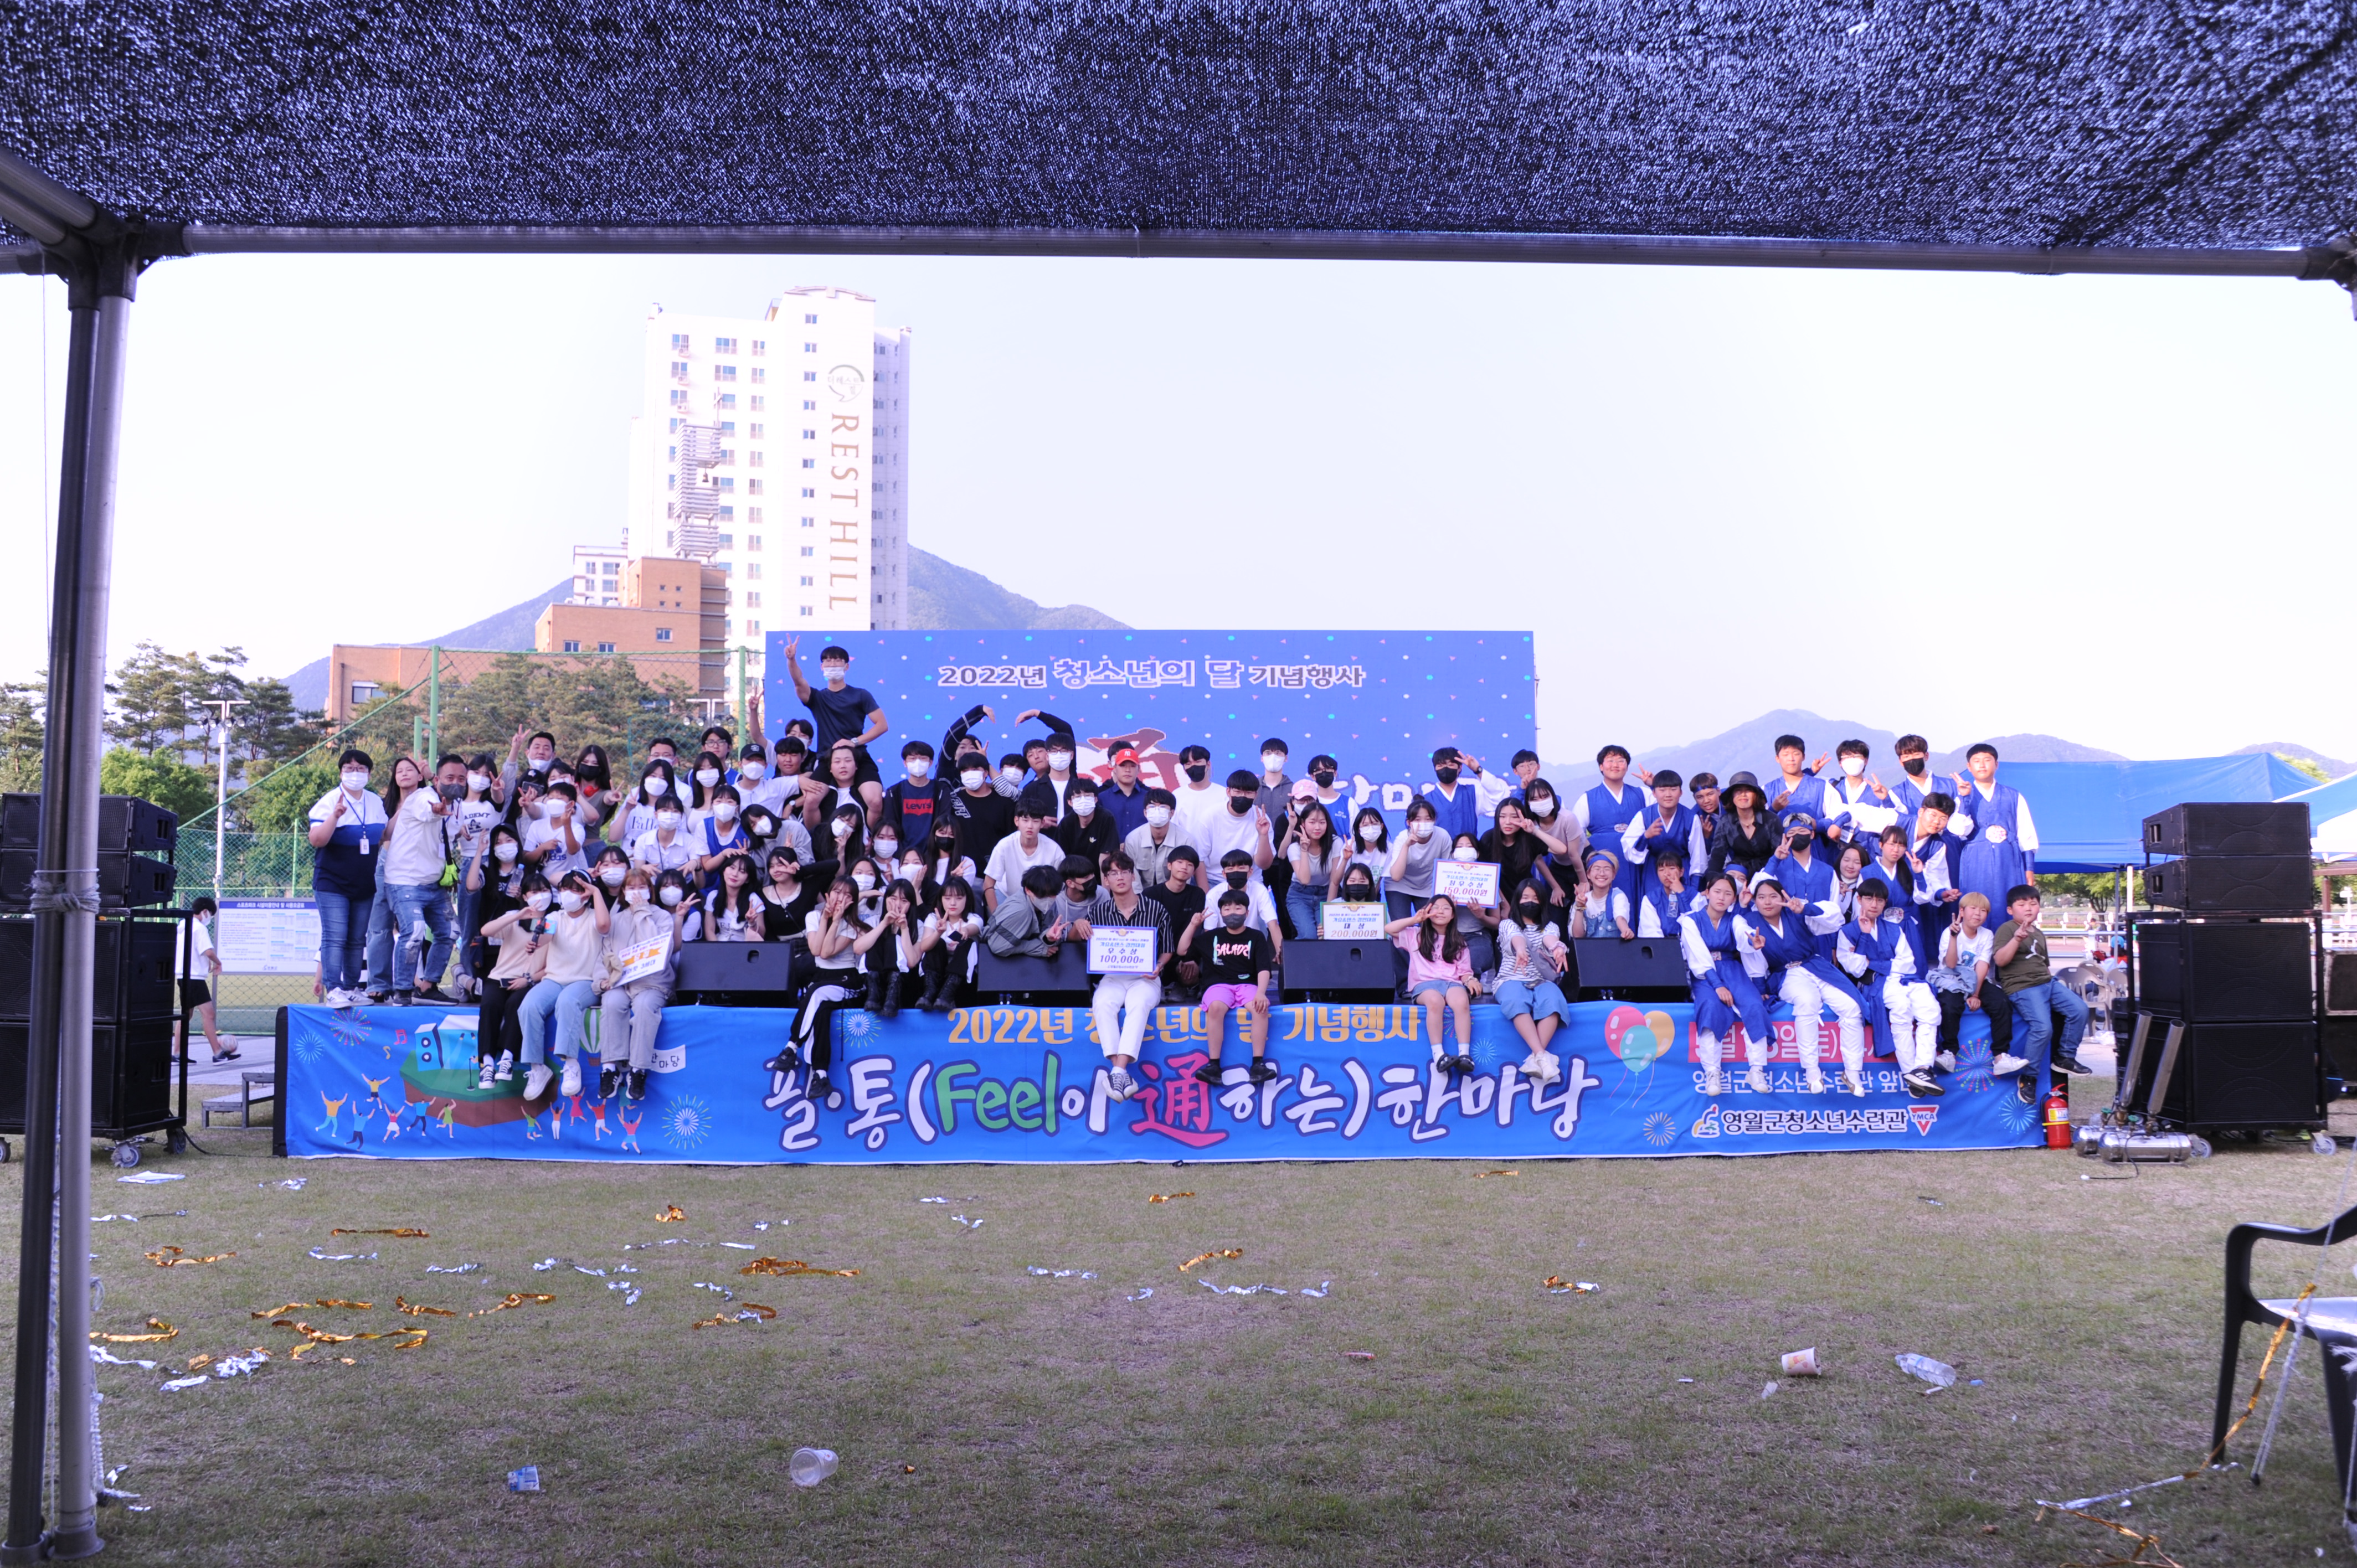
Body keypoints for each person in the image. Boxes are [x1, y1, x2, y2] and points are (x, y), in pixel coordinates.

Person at [1738, 875, 1861, 1095]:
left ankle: (1852, 1071)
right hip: (1787, 974)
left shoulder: (1796, 912)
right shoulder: (1750, 921)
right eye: (1762, 897)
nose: (1768, 902)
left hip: (1816, 967)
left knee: (1852, 1007)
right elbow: (1752, 957)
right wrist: (1761, 987)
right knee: (1807, 1001)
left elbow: (1835, 918)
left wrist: (1805, 908)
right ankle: (1812, 1071)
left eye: (1773, 896)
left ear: (1783, 897)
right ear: (1755, 901)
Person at [1068, 851, 1174, 1101]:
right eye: (1113, 873)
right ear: (1106, 881)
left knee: (1139, 1004)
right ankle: (1120, 1073)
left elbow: (1168, 948)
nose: (1120, 877)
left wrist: (1159, 965)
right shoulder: (1099, 912)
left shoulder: (1156, 909)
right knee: (1102, 1003)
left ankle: (1117, 1071)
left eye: (1125, 872)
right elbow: (1073, 939)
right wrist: (1077, 925)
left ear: (1133, 876)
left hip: (1146, 976)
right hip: (1113, 976)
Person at [1838, 877, 1943, 1097]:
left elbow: (1908, 963)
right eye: (1869, 899)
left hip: (1905, 979)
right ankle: (1911, 1073)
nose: (1874, 904)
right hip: (1876, 984)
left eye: (1879, 900)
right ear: (1859, 900)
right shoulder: (1847, 932)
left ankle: (1923, 1068)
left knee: (1931, 1010)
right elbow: (1856, 969)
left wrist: (1874, 963)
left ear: (1885, 903)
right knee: (1901, 1009)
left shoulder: (1894, 929)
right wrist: (1865, 937)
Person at [378, 753, 468, 1006]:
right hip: (405, 881)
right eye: (450, 778)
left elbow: (450, 832)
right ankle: (403, 990)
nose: (456, 783)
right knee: (415, 930)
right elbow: (428, 811)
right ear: (437, 780)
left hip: (434, 884)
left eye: (461, 779)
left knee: (450, 931)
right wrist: (436, 810)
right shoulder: (422, 797)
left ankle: (428, 987)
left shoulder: (457, 806)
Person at [764, 878, 866, 1100]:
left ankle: (792, 1045)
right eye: (837, 892)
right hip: (821, 979)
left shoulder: (852, 924)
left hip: (847, 981)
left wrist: (836, 921)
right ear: (828, 893)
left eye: (848, 895)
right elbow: (815, 949)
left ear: (853, 901)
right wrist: (826, 919)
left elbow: (827, 953)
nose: (840, 898)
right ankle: (821, 1075)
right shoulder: (813, 916)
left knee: (816, 993)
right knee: (820, 1012)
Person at [516, 869, 610, 1100]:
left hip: (586, 981)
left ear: (586, 894)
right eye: (564, 889)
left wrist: (596, 892)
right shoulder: (554, 917)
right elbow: (545, 937)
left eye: (575, 890)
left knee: (568, 1002)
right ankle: (538, 1068)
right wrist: (535, 944)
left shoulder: (594, 915)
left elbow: (604, 926)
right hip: (554, 979)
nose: (568, 894)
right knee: (528, 1006)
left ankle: (571, 1065)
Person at [1989, 884, 2089, 1099]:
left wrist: (2052, 984)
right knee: (2043, 1028)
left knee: (2080, 1010)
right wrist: (2017, 939)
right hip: (2022, 986)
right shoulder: (2007, 929)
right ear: (2010, 910)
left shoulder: (2040, 933)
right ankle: (2029, 1077)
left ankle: (2065, 1057)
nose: (2028, 908)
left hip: (2047, 982)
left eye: (2033, 904)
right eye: (2022, 904)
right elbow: (2000, 961)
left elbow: (2043, 964)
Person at [307, 749, 388, 1008]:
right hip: (332, 882)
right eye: (349, 769)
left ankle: (352, 988)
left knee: (356, 939)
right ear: (341, 773)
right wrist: (336, 816)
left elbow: (385, 834)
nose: (356, 773)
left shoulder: (375, 801)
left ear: (369, 774)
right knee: (335, 936)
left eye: (361, 769)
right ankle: (334, 989)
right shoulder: (330, 801)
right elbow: (317, 840)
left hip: (364, 883)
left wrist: (408, 805)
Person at [595, 866, 683, 1101]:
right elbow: (605, 955)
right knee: (611, 1004)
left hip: (653, 984)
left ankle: (638, 1070)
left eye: (642, 887)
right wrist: (602, 981)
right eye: (631, 888)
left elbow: (659, 951)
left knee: (645, 1008)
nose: (636, 892)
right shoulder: (616, 919)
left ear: (650, 891)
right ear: (623, 892)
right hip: (621, 983)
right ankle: (610, 1069)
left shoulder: (661, 916)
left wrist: (642, 913)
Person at [1679, 873, 1769, 1098]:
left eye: (1728, 893)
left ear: (1733, 899)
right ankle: (1712, 1072)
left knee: (1754, 1005)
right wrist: (1717, 985)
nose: (1722, 897)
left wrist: (1752, 940)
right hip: (1705, 974)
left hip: (1732, 969)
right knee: (1711, 1007)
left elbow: (1743, 932)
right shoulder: (1690, 920)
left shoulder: (1735, 919)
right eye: (1717, 892)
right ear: (1707, 893)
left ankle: (1757, 1069)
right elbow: (1698, 955)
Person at [784, 639, 888, 823]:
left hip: (858, 755)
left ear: (847, 666)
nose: (832, 664)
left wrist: (854, 742)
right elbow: (799, 682)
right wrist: (791, 660)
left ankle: (873, 838)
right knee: (811, 801)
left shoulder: (861, 695)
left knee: (875, 800)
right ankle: (814, 839)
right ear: (822, 667)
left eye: (838, 660)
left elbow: (882, 725)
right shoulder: (818, 697)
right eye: (828, 661)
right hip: (827, 758)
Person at [1191, 889, 1277, 1086]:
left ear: (1247, 912)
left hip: (1248, 984)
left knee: (1260, 1008)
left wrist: (1261, 993)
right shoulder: (1212, 936)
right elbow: (1182, 949)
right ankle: (1213, 1066)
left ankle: (1258, 1065)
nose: (1232, 913)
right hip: (1219, 985)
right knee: (1216, 1008)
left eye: (1238, 908)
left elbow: (1264, 969)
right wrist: (1194, 925)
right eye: (1227, 909)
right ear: (1221, 913)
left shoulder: (1256, 936)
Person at [473, 873, 551, 1087]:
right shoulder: (513, 918)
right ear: (525, 896)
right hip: (500, 977)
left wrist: (529, 980)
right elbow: (486, 931)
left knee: (517, 1005)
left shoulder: (554, 923)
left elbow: (553, 965)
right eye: (535, 892)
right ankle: (487, 1064)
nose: (541, 895)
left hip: (530, 981)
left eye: (545, 890)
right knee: (490, 1005)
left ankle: (507, 1059)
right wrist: (518, 915)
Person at [1386, 895, 1476, 1077]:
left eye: (1446, 908)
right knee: (1435, 1002)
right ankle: (1439, 1055)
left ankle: (1465, 1054)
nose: (1440, 911)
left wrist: (1470, 980)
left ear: (1453, 915)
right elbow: (1388, 928)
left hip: (1452, 983)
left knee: (1461, 1001)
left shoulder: (1459, 941)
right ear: (1428, 911)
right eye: (1435, 907)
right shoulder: (1415, 935)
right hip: (1424, 984)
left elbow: (1464, 971)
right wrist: (1415, 919)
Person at [1928, 891, 2013, 1074]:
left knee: (2001, 1002)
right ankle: (1949, 1053)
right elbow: (1951, 965)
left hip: (1975, 979)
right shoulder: (1949, 932)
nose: (1977, 914)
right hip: (1951, 978)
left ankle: (2000, 1056)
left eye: (1983, 911)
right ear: (1962, 911)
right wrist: (1953, 937)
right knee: (1950, 1005)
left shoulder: (1987, 935)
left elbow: (1982, 966)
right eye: (1973, 909)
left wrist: (1975, 994)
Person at [1492, 885, 1568, 1084]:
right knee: (1516, 1000)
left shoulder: (1550, 926)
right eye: (1525, 897)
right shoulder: (1507, 924)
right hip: (1511, 979)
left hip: (1542, 980)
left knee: (1554, 1000)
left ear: (1542, 902)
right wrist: (1520, 950)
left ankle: (1536, 1059)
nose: (1530, 902)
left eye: (1535, 898)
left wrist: (1557, 948)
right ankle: (1542, 1056)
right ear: (1517, 901)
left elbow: (1550, 939)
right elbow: (1516, 938)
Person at [1951, 744, 2039, 914]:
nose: (1982, 765)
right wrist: (1965, 799)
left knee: (2009, 905)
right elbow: (1960, 831)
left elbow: (2026, 834)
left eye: (1987, 760)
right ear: (1969, 767)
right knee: (1976, 908)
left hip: (2008, 861)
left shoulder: (2014, 796)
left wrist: (2029, 868)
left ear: (1996, 764)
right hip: (1976, 861)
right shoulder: (1961, 797)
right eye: (1976, 761)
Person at [447, 754, 503, 997]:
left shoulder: (492, 803)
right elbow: (447, 832)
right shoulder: (457, 805)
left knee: (494, 922)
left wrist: (498, 790)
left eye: (485, 775)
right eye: (475, 772)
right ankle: (467, 981)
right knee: (468, 925)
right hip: (470, 862)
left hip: (495, 862)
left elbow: (500, 798)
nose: (480, 778)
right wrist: (458, 830)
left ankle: (492, 979)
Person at [1619, 769, 1705, 905]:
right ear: (1654, 793)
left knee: (1684, 908)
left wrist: (1694, 890)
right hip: (1654, 871)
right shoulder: (1644, 816)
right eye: (1662, 790)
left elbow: (1699, 858)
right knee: (1654, 906)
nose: (1668, 795)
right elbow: (1629, 851)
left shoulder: (1691, 818)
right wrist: (1646, 837)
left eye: (1673, 790)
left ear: (1681, 793)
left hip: (1682, 870)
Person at [1907, 792, 1968, 967]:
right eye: (1933, 815)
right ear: (1921, 812)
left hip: (1913, 895)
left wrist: (1942, 893)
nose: (1936, 822)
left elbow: (1934, 875)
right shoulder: (1899, 822)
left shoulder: (1938, 845)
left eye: (1943, 819)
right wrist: (1837, 824)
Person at [981, 790, 1065, 915]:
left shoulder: (1054, 849)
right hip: (1007, 896)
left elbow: (1062, 886)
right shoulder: (1004, 845)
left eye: (1035, 821)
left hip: (1042, 899)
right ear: (1017, 821)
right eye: (1025, 820)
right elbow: (988, 884)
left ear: (1042, 823)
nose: (1030, 826)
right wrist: (996, 916)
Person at [1820, 740, 1903, 857]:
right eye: (1847, 757)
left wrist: (1886, 800)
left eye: (1857, 756)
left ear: (1866, 761)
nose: (1852, 760)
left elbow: (1894, 821)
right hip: (1834, 855)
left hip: (1867, 856)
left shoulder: (1877, 793)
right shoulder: (1831, 789)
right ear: (1840, 763)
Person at [176, 897, 234, 1062]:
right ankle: (218, 1053)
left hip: (182, 975)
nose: (210, 918)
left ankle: (177, 1053)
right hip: (194, 977)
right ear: (205, 912)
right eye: (211, 915)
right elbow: (208, 951)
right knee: (209, 1014)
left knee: (185, 1015)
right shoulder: (200, 928)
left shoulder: (184, 925)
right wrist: (218, 962)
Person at [911, 875, 982, 1010]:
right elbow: (924, 947)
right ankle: (930, 992)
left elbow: (974, 927)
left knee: (967, 943)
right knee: (936, 943)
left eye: (959, 898)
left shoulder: (974, 918)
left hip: (960, 978)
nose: (953, 903)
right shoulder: (933, 918)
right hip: (936, 970)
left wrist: (965, 931)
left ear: (967, 899)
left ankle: (947, 993)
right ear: (941, 899)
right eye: (948, 898)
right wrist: (938, 933)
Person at [852, 878, 920, 1017]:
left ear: (911, 904)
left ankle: (892, 996)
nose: (898, 905)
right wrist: (884, 924)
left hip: (903, 984)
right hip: (874, 983)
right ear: (886, 899)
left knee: (892, 939)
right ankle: (874, 994)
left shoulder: (918, 925)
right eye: (893, 899)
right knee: (876, 938)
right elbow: (858, 949)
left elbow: (912, 962)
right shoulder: (873, 921)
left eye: (904, 901)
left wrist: (904, 929)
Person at [1145, 847, 1208, 996]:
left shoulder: (1198, 894)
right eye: (1180, 862)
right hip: (1157, 951)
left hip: (1184, 952)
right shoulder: (1150, 894)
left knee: (1190, 972)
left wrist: (1191, 958)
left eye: (1190, 865)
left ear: (1194, 871)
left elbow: (1196, 931)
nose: (1184, 867)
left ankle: (1183, 987)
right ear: (1169, 866)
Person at [1479, 797, 1559, 911]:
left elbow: (1560, 849)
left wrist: (1535, 831)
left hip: (1525, 900)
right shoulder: (1488, 839)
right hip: (1498, 901)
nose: (1508, 822)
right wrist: (1504, 905)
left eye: (1514, 817)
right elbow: (1487, 876)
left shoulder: (1529, 839)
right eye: (1502, 817)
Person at [878, 738, 955, 854]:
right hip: (901, 856)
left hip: (933, 855)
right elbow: (889, 825)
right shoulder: (894, 792)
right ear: (905, 763)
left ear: (931, 763)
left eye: (923, 758)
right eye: (913, 759)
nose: (918, 762)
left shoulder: (941, 790)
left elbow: (944, 823)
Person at [949, 748, 1018, 874]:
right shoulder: (953, 800)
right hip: (962, 871)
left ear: (986, 773)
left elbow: (1013, 839)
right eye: (965, 771)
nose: (970, 774)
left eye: (975, 770)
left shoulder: (1005, 803)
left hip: (997, 873)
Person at [1284, 802, 1346, 940]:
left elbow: (1334, 881)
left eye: (1322, 823)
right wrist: (1304, 850)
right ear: (1303, 823)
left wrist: (1329, 913)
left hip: (1326, 894)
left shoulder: (1336, 842)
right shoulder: (1294, 848)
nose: (1317, 827)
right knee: (1309, 936)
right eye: (1312, 822)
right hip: (1299, 895)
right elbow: (1305, 879)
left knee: (1325, 935)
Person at [1706, 772, 1780, 886]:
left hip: (1769, 873)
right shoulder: (1725, 822)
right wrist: (1711, 883)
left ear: (1756, 795)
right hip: (1739, 873)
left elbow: (1779, 855)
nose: (1743, 795)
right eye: (1738, 791)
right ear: (1732, 796)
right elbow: (1717, 857)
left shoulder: (1772, 819)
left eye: (1748, 790)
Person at [1420, 746, 1509, 841]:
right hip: (1438, 850)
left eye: (1451, 765)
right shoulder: (1425, 800)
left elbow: (1499, 796)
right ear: (1435, 769)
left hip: (1468, 849)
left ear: (1460, 768)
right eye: (1440, 766)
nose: (1445, 769)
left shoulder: (1473, 793)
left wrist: (1478, 770)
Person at [984, 863, 1070, 958]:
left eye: (1052, 895)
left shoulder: (1051, 903)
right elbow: (998, 946)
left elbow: (1047, 930)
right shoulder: (1021, 911)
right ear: (1028, 890)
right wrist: (1037, 948)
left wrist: (1049, 938)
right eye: (1042, 896)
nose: (1048, 900)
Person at [1213, 848, 1284, 957]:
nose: (1236, 872)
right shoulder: (1214, 895)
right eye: (1231, 869)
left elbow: (1273, 924)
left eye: (1241, 868)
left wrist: (1281, 953)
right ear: (1224, 873)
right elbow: (1210, 930)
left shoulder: (1260, 890)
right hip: (1223, 948)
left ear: (1250, 872)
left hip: (1252, 946)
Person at [1383, 798, 1444, 923]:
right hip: (1400, 886)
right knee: (1402, 927)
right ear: (1409, 823)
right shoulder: (1402, 838)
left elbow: (1446, 871)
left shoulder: (1443, 837)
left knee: (1428, 927)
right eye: (1418, 820)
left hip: (1427, 886)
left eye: (1428, 819)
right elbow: (1396, 876)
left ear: (1434, 820)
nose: (1423, 823)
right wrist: (1406, 846)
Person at [1519, 781, 1577, 906]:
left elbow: (1569, 852)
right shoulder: (1529, 825)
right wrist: (1556, 887)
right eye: (1534, 799)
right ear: (1528, 803)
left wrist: (1584, 881)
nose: (1541, 802)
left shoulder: (1567, 817)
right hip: (1558, 867)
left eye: (1545, 797)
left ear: (1553, 797)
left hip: (1581, 863)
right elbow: (1538, 860)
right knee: (1556, 908)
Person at [1121, 788, 1196, 888]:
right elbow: (1133, 879)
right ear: (1145, 812)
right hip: (1142, 894)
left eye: (1163, 807)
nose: (1157, 811)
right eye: (1152, 807)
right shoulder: (1133, 840)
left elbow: (1184, 879)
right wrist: (1140, 898)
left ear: (1172, 813)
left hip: (1174, 893)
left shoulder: (1186, 840)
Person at [524, 780, 589, 883]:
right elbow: (527, 859)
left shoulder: (577, 828)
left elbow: (573, 850)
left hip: (569, 883)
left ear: (571, 804)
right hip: (543, 884)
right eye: (551, 798)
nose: (554, 802)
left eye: (559, 799)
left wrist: (567, 825)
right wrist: (542, 848)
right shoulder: (536, 826)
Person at [1764, 734, 1831, 834]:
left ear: (1803, 757)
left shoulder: (1822, 787)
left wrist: (1817, 825)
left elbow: (1836, 817)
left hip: (1815, 843)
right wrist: (1773, 809)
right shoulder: (1767, 790)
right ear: (1777, 758)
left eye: (1796, 754)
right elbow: (1758, 824)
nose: (1791, 758)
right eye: (1786, 755)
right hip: (1780, 844)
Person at [758, 848, 819, 955]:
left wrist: (800, 870)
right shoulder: (763, 894)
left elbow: (834, 865)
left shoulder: (808, 887)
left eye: (780, 865)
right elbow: (768, 930)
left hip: (809, 946)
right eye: (771, 866)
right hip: (780, 949)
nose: (776, 870)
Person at [630, 793, 699, 881]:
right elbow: (637, 874)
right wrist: (643, 868)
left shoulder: (690, 840)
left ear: (681, 817)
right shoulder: (643, 840)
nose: (670, 815)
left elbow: (700, 883)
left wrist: (696, 864)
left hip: (685, 886)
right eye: (665, 810)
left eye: (675, 811)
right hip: (653, 886)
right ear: (656, 814)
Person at [692, 783, 752, 885]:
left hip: (737, 887)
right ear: (712, 805)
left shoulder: (745, 829)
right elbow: (707, 867)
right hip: (709, 886)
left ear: (737, 808)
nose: (724, 806)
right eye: (719, 801)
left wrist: (746, 858)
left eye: (730, 802)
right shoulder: (704, 826)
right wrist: (724, 853)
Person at [701, 852, 766, 942]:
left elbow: (761, 935)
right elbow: (709, 930)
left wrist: (752, 923)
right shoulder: (713, 896)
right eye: (732, 868)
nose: (735, 874)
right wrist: (717, 949)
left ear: (747, 880)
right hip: (719, 944)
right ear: (724, 871)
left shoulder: (753, 899)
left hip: (745, 946)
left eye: (742, 871)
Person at [1053, 777, 1119, 867]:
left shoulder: (1106, 818)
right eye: (1078, 797)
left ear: (1096, 799)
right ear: (1070, 802)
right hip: (1074, 871)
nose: (1083, 800)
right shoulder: (1066, 823)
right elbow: (1061, 856)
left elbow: (1105, 856)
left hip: (1100, 870)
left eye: (1088, 796)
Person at [1171, 744, 1226, 846]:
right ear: (1184, 770)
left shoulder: (1223, 794)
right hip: (1186, 852)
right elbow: (1173, 829)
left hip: (1218, 853)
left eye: (1198, 762)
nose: (1193, 766)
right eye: (1188, 764)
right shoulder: (1177, 795)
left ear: (1208, 765)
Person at [1568, 851, 1633, 938]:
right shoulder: (1582, 899)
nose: (1602, 873)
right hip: (1590, 947)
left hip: (1614, 947)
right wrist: (1580, 907)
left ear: (1614, 875)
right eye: (1597, 869)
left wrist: (1626, 931)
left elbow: (1620, 918)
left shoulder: (1618, 896)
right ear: (1589, 874)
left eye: (1607, 869)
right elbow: (1578, 936)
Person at [1634, 850, 1695, 938]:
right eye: (1661, 870)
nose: (1667, 874)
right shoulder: (1651, 899)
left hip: (1690, 943)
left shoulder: (1694, 896)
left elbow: (1698, 927)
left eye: (1672, 868)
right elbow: (1651, 932)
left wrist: (1682, 894)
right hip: (1662, 945)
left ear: (1681, 872)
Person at [1098, 746, 1152, 841]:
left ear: (1139, 769)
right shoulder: (1102, 798)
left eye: (1132, 766)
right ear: (1115, 768)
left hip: (1143, 850)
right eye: (1123, 765)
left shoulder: (1149, 798)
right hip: (1112, 850)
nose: (1128, 770)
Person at [1345, 807, 1390, 897]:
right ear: (1359, 830)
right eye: (1365, 825)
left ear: (1381, 827)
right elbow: (1338, 879)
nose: (1371, 828)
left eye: (1374, 824)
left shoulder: (1389, 848)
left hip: (1372, 894)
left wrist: (1371, 902)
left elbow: (1379, 880)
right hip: (1348, 894)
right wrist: (1344, 859)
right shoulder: (1351, 846)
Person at [1051, 855, 1100, 929]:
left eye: (1093, 874)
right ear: (1070, 883)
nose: (1092, 878)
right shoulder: (1055, 899)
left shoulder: (1102, 894)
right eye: (1086, 877)